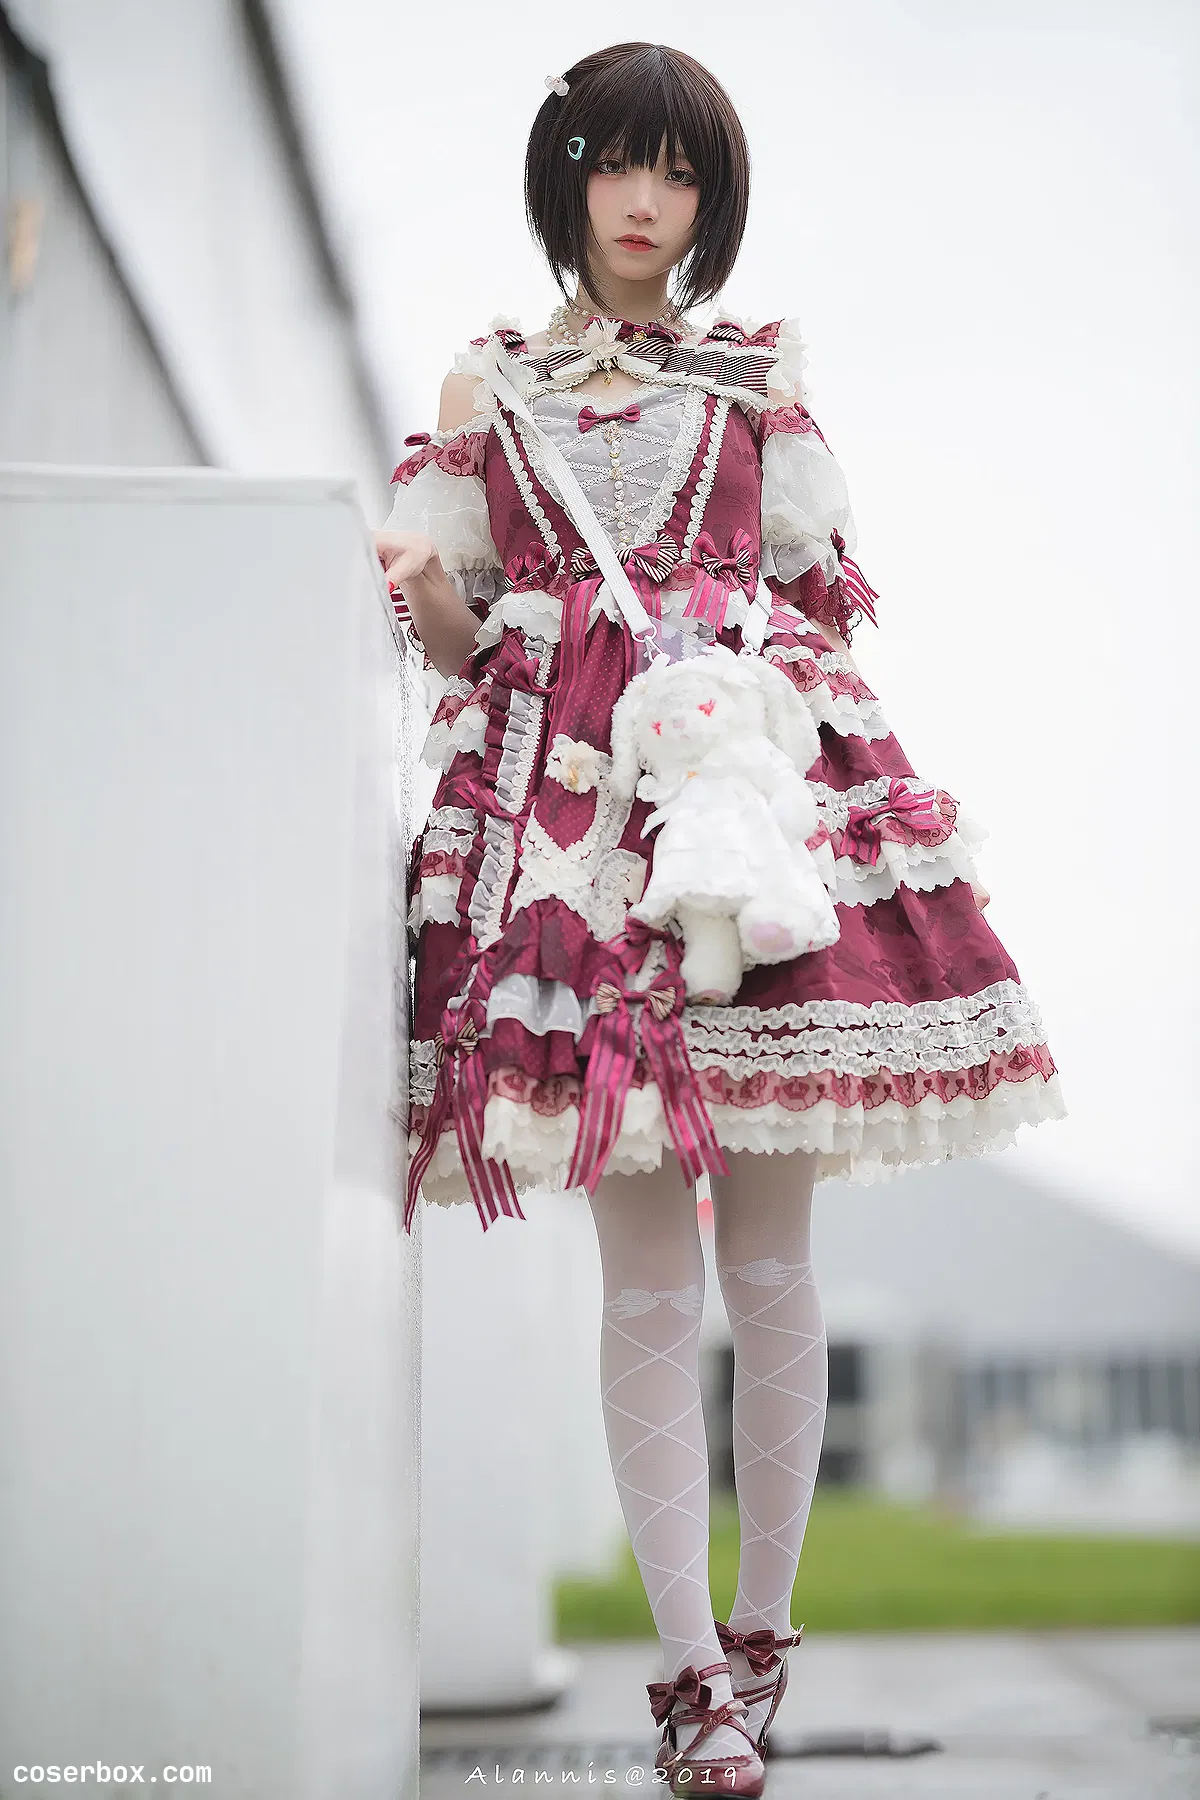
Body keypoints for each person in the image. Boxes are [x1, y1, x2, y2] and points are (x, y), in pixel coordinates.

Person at [374, 40, 1066, 1796]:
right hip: (576, 841)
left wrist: (847, 803)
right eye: (616, 161)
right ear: (567, 175)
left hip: (750, 813)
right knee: (646, 1275)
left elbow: (818, 613)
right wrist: (437, 587)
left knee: (769, 1263)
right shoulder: (485, 385)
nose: (644, 200)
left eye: (678, 172)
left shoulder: (761, 380)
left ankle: (762, 1651)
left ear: (711, 199)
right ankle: (687, 1680)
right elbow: (465, 645)